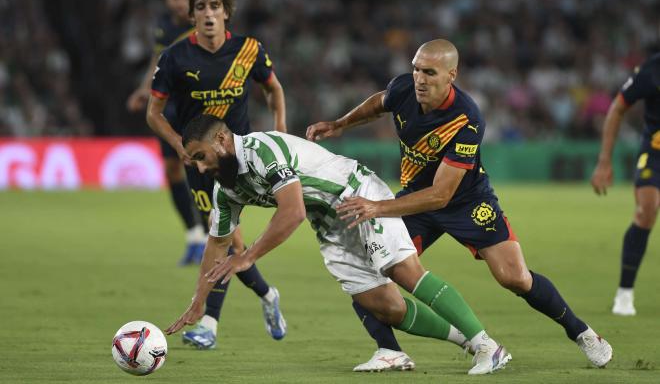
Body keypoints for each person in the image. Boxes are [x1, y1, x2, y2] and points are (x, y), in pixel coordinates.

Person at [306, 39, 612, 371]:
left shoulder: (466, 119)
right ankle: (389, 350)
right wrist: (339, 124)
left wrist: (378, 208)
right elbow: (379, 103)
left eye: (430, 72)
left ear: (452, 74)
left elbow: (442, 195)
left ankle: (582, 333)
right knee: (366, 263)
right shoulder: (404, 88)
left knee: (514, 277)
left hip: (466, 200)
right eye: (416, 69)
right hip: (416, 201)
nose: (420, 79)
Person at [165, 114, 512, 375]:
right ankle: (466, 341)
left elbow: (293, 212)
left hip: (356, 193)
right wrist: (199, 301)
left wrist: (247, 257)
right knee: (384, 305)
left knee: (403, 270)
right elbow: (217, 243)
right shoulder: (224, 189)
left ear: (223, 140)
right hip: (329, 222)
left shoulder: (260, 150)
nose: (197, 166)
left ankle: (487, 345)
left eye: (199, 155)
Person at [147, 0, 287, 350]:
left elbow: (274, 88)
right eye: (201, 8)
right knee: (230, 243)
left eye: (214, 7)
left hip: (238, 162)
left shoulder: (249, 50)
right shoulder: (175, 57)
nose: (208, 14)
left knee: (224, 241)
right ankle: (268, 295)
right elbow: (153, 113)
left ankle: (209, 323)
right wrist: (178, 143)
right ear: (191, 16)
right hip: (199, 165)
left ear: (226, 12)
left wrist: (281, 133)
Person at [126, 0, 206, 266]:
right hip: (166, 105)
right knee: (172, 169)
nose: (179, 2)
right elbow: (157, 61)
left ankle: (213, 235)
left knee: (201, 169)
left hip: (194, 105)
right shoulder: (163, 26)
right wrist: (142, 89)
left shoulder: (203, 25)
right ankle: (194, 235)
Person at [591, 52, 660, 316]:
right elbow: (618, 108)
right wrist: (604, 161)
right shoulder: (651, 71)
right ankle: (624, 293)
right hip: (655, 154)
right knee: (646, 210)